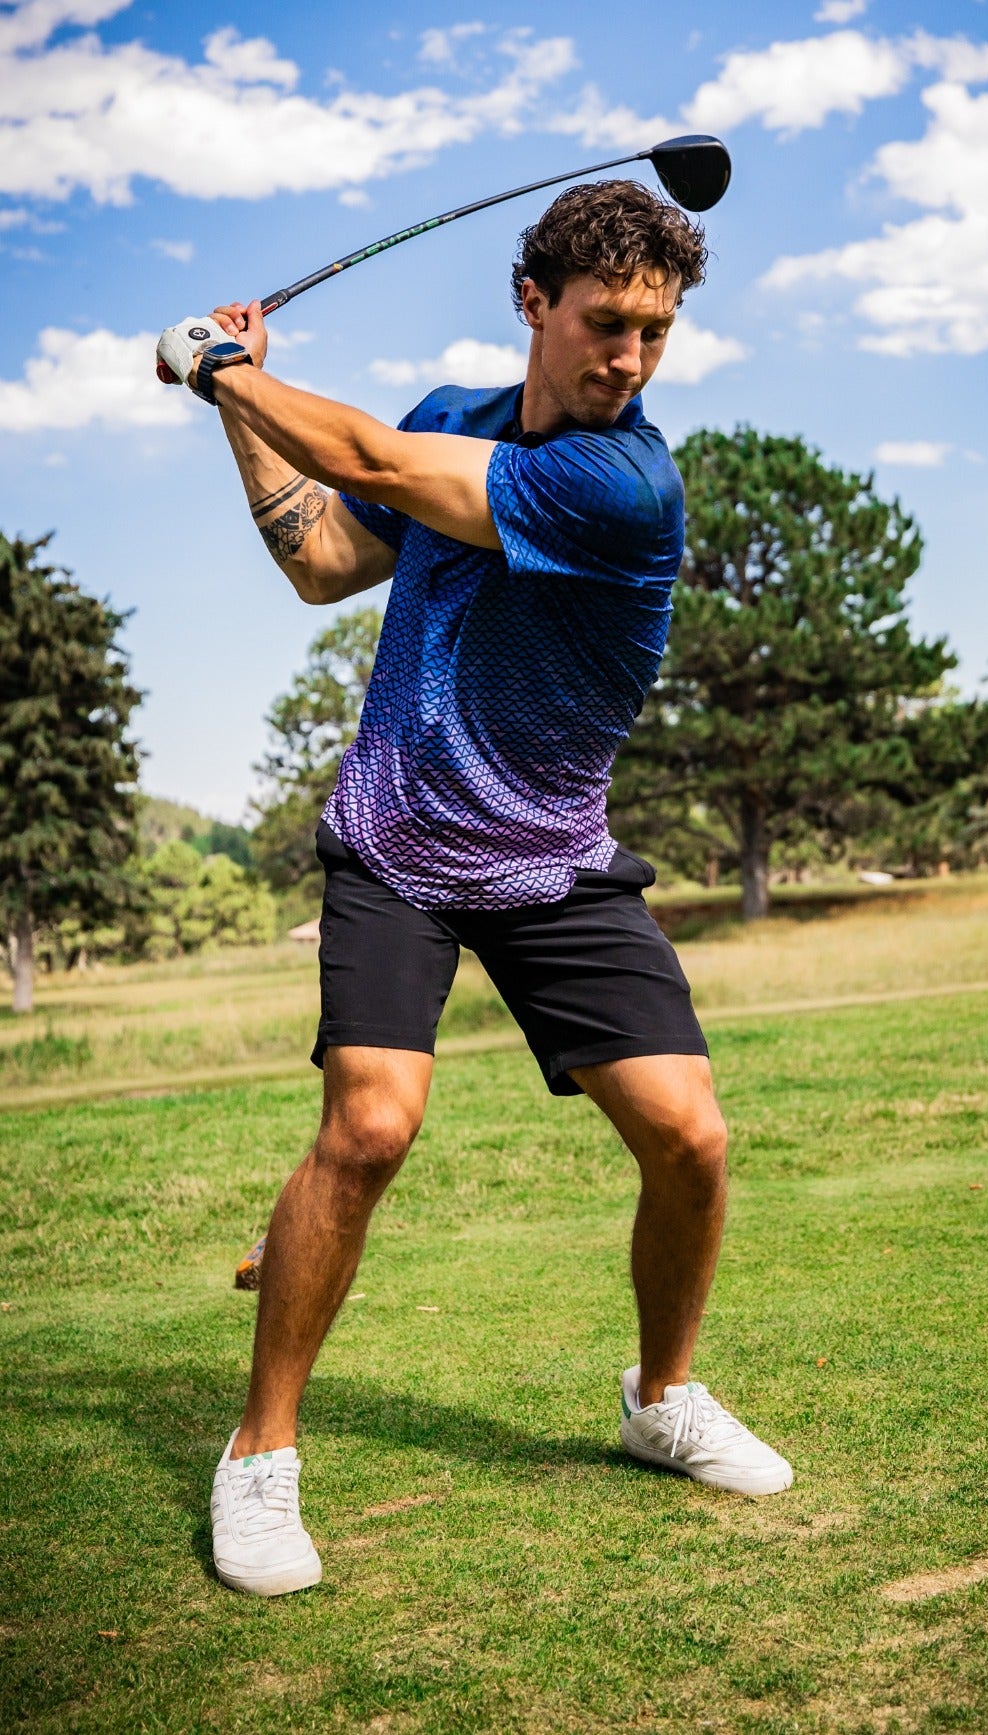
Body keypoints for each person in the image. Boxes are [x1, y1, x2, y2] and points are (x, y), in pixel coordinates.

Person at [155, 180, 792, 1599]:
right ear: (533, 304)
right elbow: (326, 556)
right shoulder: (459, 415)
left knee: (691, 1138)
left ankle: (661, 1400)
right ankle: (259, 1455)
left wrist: (224, 367)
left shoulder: (623, 484)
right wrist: (237, 410)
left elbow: (372, 461)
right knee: (370, 1128)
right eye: (606, 323)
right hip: (397, 837)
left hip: (549, 856)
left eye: (656, 331)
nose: (630, 357)